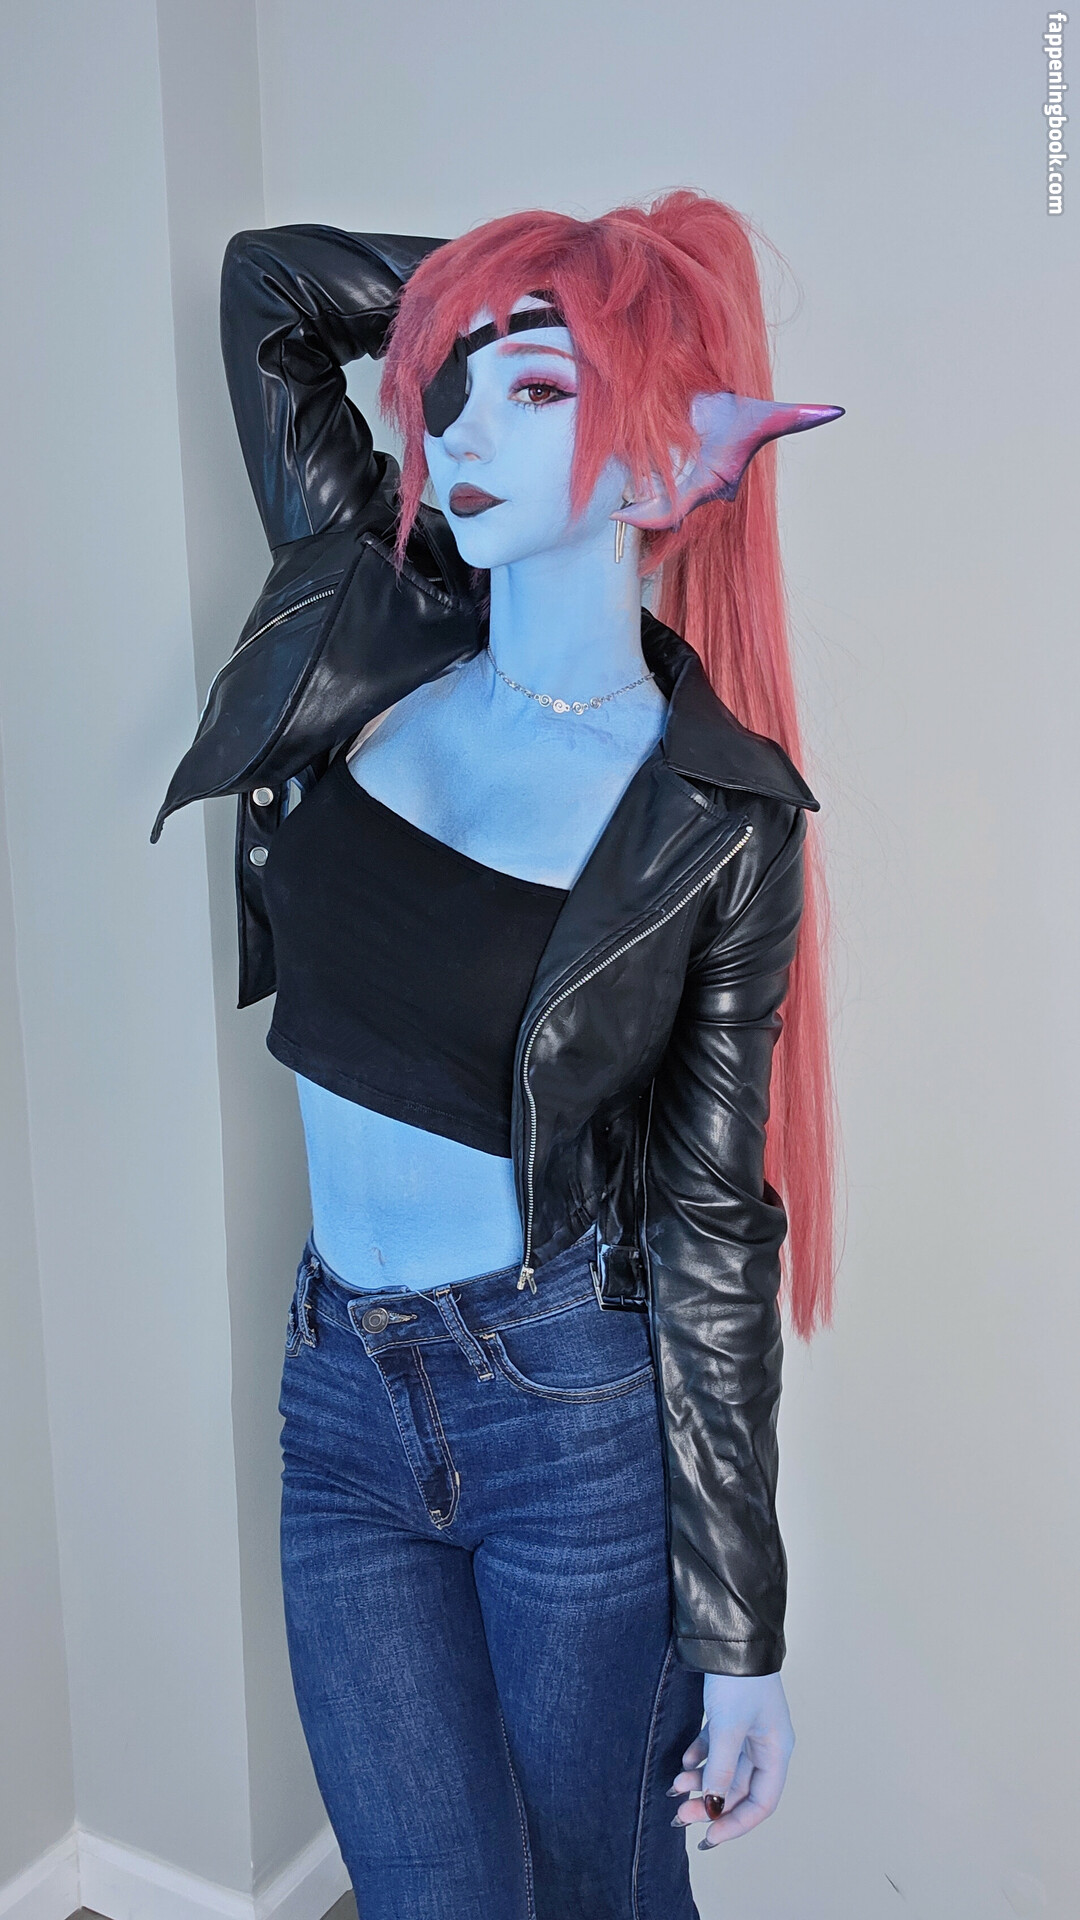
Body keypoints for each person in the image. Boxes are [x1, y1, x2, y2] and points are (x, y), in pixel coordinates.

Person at [154, 190, 841, 1920]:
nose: (455, 432)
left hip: (565, 1415)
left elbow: (711, 1219)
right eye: (451, 388)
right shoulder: (370, 621)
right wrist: (530, 285)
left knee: (608, 1893)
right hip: (340, 1394)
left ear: (670, 459)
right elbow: (271, 292)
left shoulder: (718, 821)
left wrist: (739, 1634)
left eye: (537, 392)